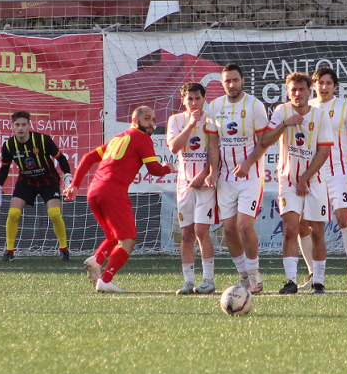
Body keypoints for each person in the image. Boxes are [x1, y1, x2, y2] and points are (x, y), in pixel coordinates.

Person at [64, 106, 175, 293]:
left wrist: (75, 184)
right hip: (113, 191)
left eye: (154, 120)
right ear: (135, 120)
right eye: (147, 118)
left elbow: (89, 157)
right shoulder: (142, 138)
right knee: (128, 240)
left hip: (95, 192)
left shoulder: (119, 138)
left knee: (114, 237)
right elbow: (155, 170)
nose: (152, 123)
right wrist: (167, 168)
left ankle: (97, 260)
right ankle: (106, 280)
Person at [247, 72, 333, 295]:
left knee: (317, 232)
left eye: (302, 89)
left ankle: (319, 282)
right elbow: (265, 141)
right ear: (288, 92)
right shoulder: (281, 111)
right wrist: (285, 124)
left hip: (314, 181)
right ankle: (291, 281)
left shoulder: (320, 116)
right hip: (288, 181)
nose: (298, 93)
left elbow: (324, 152)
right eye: (293, 89)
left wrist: (305, 178)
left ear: (309, 91)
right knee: (291, 229)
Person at [297, 67, 347, 290]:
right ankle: (311, 273)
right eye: (319, 83)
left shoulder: (344, 107)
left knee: (344, 217)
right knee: (303, 224)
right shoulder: (306, 108)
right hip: (313, 175)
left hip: (339, 173)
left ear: (335, 86)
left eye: (328, 83)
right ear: (313, 86)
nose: (323, 87)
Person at [207, 63, 269, 294]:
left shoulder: (255, 105)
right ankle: (243, 275)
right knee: (229, 229)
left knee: (245, 226)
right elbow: (214, 143)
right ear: (222, 84)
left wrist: (248, 163)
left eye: (235, 80)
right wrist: (213, 171)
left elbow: (264, 141)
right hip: (225, 177)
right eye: (227, 81)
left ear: (242, 81)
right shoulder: (214, 107)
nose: (231, 85)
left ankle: (254, 272)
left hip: (251, 175)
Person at [0, 111, 73, 262]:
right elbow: (4, 168)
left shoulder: (43, 140)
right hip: (26, 181)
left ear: (29, 126)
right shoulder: (9, 145)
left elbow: (61, 158)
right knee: (13, 214)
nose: (21, 128)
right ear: (12, 127)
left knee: (55, 213)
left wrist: (68, 177)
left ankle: (64, 250)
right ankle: (9, 252)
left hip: (48, 180)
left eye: (24, 124)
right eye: (17, 125)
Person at [166, 82, 220, 295]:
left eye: (198, 98)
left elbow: (215, 150)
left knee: (201, 230)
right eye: (190, 99)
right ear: (184, 101)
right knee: (186, 233)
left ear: (204, 99)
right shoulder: (176, 120)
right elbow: (174, 147)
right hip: (184, 185)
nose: (195, 103)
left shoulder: (211, 119)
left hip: (205, 183)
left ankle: (208, 280)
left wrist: (207, 173)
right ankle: (188, 282)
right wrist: (189, 125)